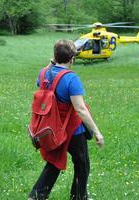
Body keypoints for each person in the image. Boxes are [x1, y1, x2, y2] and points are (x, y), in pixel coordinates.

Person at [28, 39, 104, 200]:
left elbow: (43, 82)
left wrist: (52, 61)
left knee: (54, 162)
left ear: (55, 56)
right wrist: (96, 132)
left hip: (51, 128)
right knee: (82, 163)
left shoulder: (42, 73)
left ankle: (36, 195)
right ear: (72, 59)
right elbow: (81, 109)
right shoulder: (71, 79)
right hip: (73, 130)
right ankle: (79, 197)